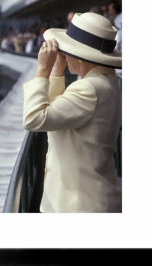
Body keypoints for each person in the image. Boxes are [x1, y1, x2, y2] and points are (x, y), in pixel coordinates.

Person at [23, 12, 122, 213]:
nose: (65, 53)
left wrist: (43, 70)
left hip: (79, 206)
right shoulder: (105, 82)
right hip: (88, 201)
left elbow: (34, 118)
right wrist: (58, 69)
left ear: (83, 55)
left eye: (69, 50)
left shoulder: (89, 89)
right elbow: (56, 111)